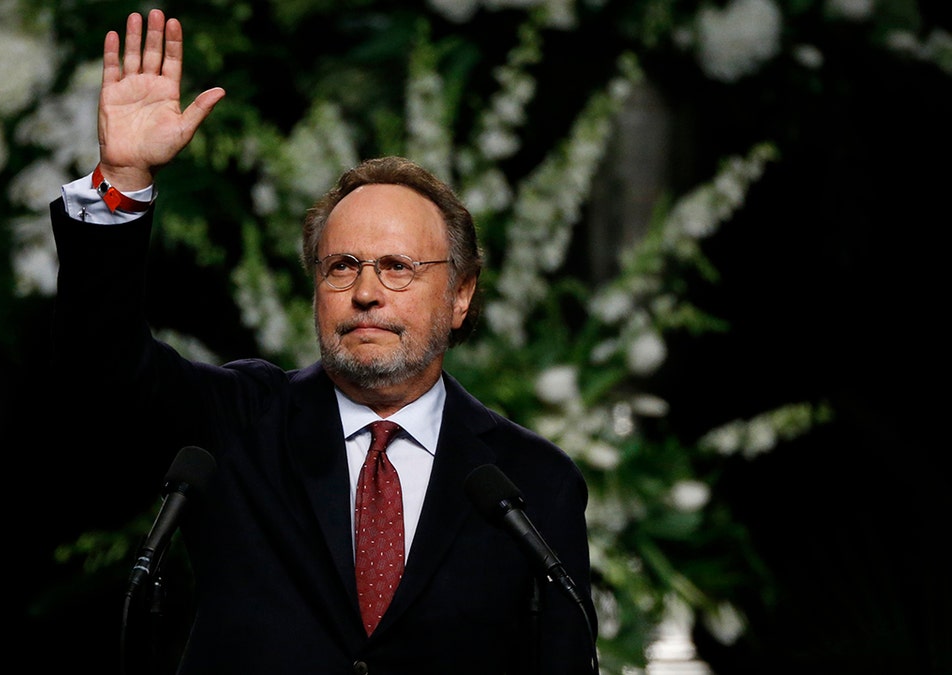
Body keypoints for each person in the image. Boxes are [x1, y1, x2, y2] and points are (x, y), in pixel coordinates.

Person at [50, 9, 598, 674]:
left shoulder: (531, 484)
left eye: (397, 267)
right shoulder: (237, 425)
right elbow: (103, 361)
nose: (365, 291)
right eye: (341, 267)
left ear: (460, 294)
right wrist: (123, 178)